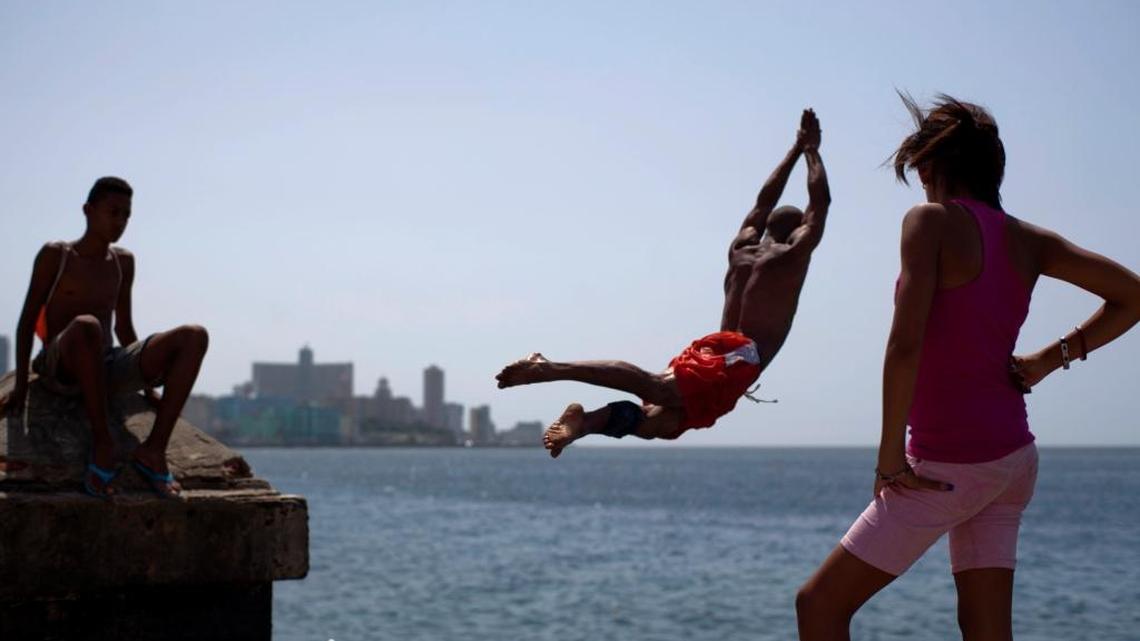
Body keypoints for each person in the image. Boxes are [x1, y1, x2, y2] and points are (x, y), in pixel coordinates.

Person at [795, 95, 1140, 641]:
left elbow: (904, 344)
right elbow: (1132, 295)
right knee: (985, 632)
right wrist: (1047, 362)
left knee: (818, 606)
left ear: (930, 167)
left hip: (950, 465)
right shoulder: (1031, 241)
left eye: (920, 173)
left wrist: (889, 459)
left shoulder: (928, 222)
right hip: (1013, 463)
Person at [496, 109, 831, 457]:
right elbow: (820, 203)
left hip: (716, 349)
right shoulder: (790, 256)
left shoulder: (741, 249)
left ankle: (586, 422)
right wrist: (811, 151)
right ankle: (547, 368)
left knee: (660, 423)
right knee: (658, 389)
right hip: (740, 357)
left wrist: (794, 149)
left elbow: (764, 200)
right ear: (797, 233)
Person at [0, 177, 210, 499]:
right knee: (86, 325)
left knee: (194, 336)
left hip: (104, 361)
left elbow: (123, 328)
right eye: (113, 212)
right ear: (88, 210)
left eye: (126, 215)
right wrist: (21, 388)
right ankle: (103, 442)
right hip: (60, 364)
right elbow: (27, 320)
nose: (120, 222)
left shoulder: (123, 262)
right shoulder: (56, 256)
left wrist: (148, 387)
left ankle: (153, 450)